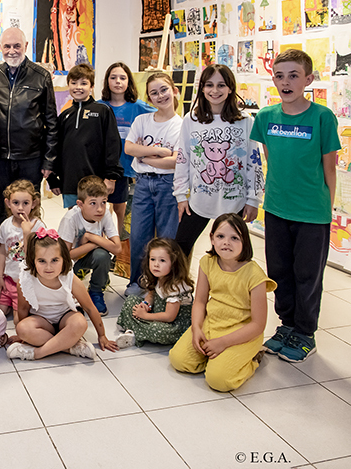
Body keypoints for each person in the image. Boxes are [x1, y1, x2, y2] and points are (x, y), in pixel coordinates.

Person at [250, 49, 341, 362]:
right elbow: (270, 158)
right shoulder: (265, 117)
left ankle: (305, 332)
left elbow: (329, 168)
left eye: (293, 76)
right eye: (279, 76)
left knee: (307, 275)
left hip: (312, 213)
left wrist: (326, 209)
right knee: (279, 272)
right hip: (276, 209)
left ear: (308, 79)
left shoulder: (322, 117)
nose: (285, 82)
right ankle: (286, 325)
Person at [169, 214, 276, 391]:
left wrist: (223, 343)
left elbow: (258, 325)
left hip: (242, 333)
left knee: (218, 380)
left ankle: (252, 359)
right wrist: (196, 328)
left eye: (234, 238)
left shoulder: (255, 275)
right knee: (178, 360)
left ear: (245, 242)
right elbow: (200, 301)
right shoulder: (207, 262)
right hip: (212, 324)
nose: (226, 242)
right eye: (220, 236)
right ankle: (216, 359)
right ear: (212, 238)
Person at [173, 64, 262, 257]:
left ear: (230, 88)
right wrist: (180, 195)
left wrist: (254, 199)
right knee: (179, 250)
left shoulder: (245, 121)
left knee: (233, 253)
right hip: (198, 201)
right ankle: (182, 280)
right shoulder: (191, 119)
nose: (215, 90)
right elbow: (182, 159)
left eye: (221, 85)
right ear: (202, 88)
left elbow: (254, 162)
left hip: (235, 201)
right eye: (209, 85)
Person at [0, 27, 58, 226]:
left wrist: (49, 160)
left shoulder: (41, 76)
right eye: (7, 46)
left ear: (25, 46)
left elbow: (52, 122)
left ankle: (31, 245)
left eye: (17, 46)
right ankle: (5, 246)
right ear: (0, 47)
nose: (12, 51)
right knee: (4, 209)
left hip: (31, 158)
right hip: (1, 158)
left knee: (29, 210)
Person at [6, 229, 118, 360]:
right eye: (42, 261)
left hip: (65, 318)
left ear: (64, 259)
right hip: (41, 321)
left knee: (80, 323)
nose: (49, 267)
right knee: (22, 328)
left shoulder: (70, 278)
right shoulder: (25, 280)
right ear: (33, 261)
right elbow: (23, 309)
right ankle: (70, 347)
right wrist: (23, 336)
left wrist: (102, 335)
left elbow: (89, 307)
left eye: (54, 260)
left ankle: (37, 353)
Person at [125, 72, 182, 297]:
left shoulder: (181, 125)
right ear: (149, 98)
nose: (160, 96)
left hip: (168, 185)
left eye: (164, 90)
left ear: (174, 91)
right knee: (139, 235)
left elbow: (175, 161)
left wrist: (144, 157)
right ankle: (138, 281)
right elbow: (129, 148)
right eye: (154, 93)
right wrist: (159, 152)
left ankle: (165, 285)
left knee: (167, 238)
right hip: (142, 184)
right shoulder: (142, 120)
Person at [50, 63, 123, 209]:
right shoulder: (64, 116)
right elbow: (56, 148)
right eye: (74, 83)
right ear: (68, 85)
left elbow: (113, 145)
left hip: (96, 181)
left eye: (83, 83)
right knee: (73, 219)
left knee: (95, 218)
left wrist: (111, 177)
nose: (78, 87)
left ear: (92, 86)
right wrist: (53, 178)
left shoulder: (103, 111)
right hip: (70, 182)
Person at [98, 62, 156, 234]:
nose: (118, 81)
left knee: (121, 208)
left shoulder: (139, 107)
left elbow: (161, 116)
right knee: (99, 206)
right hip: (102, 166)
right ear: (107, 81)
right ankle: (100, 240)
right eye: (113, 77)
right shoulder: (99, 107)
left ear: (129, 81)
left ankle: (121, 243)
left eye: (122, 78)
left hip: (127, 167)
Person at [58, 176, 121, 316]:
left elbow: (117, 248)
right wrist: (96, 243)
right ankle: (80, 279)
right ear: (80, 204)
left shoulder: (105, 214)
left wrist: (90, 237)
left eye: (103, 202)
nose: (100, 209)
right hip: (70, 265)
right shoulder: (70, 218)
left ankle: (96, 291)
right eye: (93, 203)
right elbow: (64, 256)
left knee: (102, 256)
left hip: (89, 257)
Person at [117, 238, 194, 347]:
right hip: (157, 313)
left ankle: (132, 330)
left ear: (174, 263)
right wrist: (145, 305)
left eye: (162, 260)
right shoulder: (158, 275)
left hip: (173, 324)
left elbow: (169, 316)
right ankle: (137, 330)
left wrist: (144, 316)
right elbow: (151, 294)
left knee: (160, 331)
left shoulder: (175, 286)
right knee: (131, 299)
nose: (156, 264)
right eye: (152, 259)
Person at [0, 180, 46, 316]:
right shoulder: (5, 225)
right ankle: (9, 302)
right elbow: (2, 253)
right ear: (8, 203)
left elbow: (36, 256)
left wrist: (27, 233)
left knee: (19, 319)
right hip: (9, 280)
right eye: (16, 203)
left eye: (25, 203)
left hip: (27, 283)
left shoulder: (38, 226)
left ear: (33, 204)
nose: (20, 208)